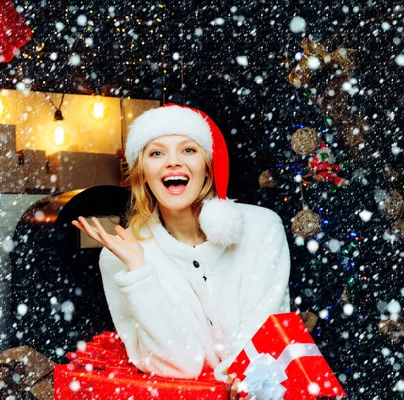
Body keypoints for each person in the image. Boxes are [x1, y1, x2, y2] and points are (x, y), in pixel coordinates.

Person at [72, 104, 291, 399]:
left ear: (208, 165)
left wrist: (240, 380)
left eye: (188, 150)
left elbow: (265, 332)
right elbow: (180, 364)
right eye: (156, 153)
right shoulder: (119, 257)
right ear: (142, 173)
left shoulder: (262, 228)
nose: (173, 163)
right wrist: (139, 273)